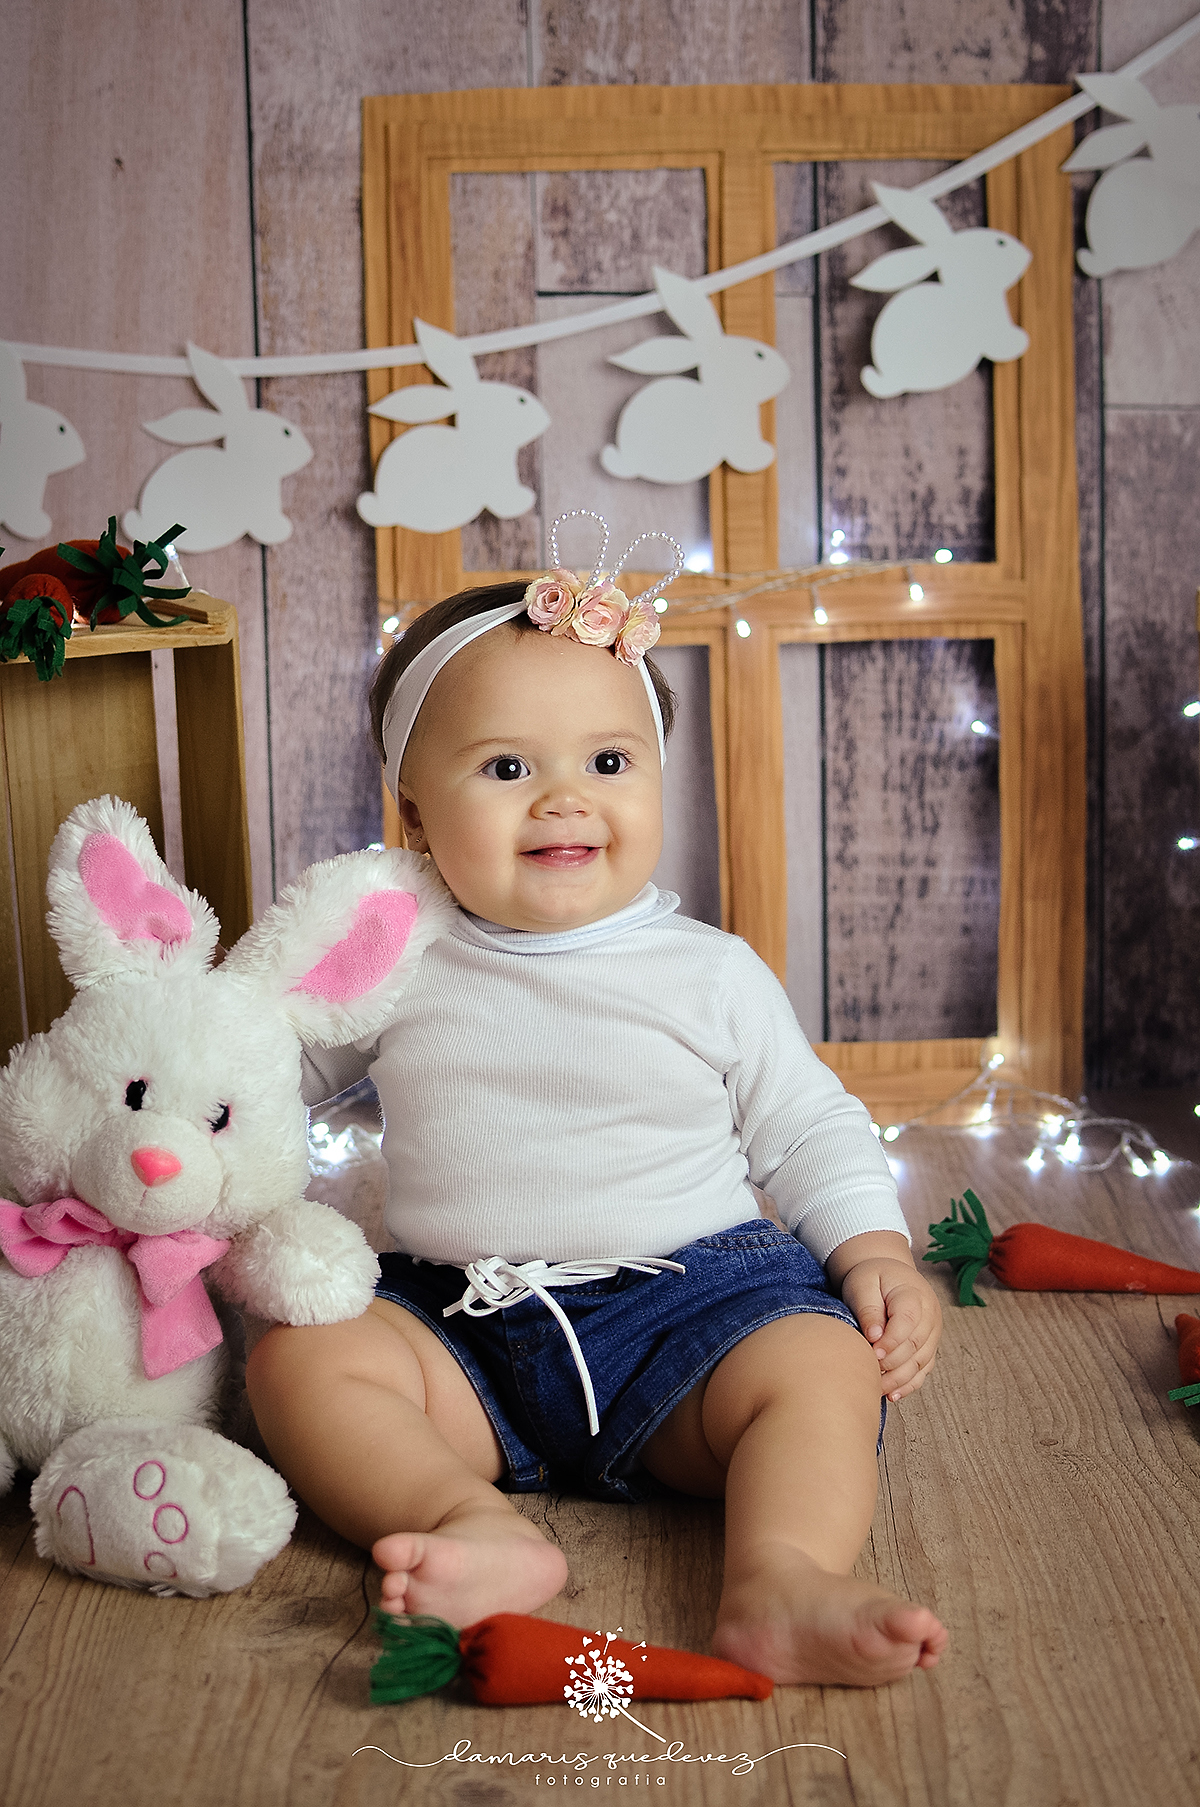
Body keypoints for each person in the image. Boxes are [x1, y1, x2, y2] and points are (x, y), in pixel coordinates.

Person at [246, 517, 948, 1687]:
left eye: (608, 764)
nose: (564, 800)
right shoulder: (397, 956)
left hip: (694, 1318)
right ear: (415, 818)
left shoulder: (709, 971)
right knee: (299, 1357)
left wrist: (872, 1248)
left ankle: (780, 1575)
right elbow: (264, 1070)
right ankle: (465, 1515)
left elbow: (808, 1122)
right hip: (460, 1327)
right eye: (508, 768)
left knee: (820, 1362)